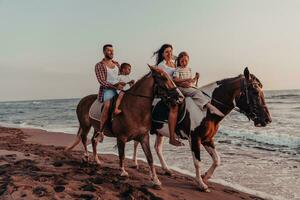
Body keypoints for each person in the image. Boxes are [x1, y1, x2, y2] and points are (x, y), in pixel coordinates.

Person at [173, 51, 224, 117]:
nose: (184, 63)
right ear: (179, 61)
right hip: (181, 88)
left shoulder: (189, 69)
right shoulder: (178, 69)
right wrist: (185, 80)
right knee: (196, 92)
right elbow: (175, 79)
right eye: (182, 61)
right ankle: (210, 107)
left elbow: (191, 81)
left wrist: (196, 78)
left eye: (186, 61)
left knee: (202, 92)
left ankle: (205, 110)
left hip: (189, 87)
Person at [153, 44, 184, 146]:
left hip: (176, 88)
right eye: (166, 52)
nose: (169, 54)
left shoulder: (174, 63)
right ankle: (171, 138)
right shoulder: (161, 65)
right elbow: (164, 81)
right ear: (162, 54)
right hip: (166, 91)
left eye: (170, 51)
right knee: (174, 107)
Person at [95, 44, 125, 137]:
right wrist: (115, 86)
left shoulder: (117, 64)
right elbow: (102, 81)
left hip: (120, 89)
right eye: (109, 50)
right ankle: (101, 131)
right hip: (108, 89)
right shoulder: (99, 65)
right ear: (104, 52)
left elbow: (122, 76)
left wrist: (126, 82)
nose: (112, 52)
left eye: (112, 50)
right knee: (107, 105)